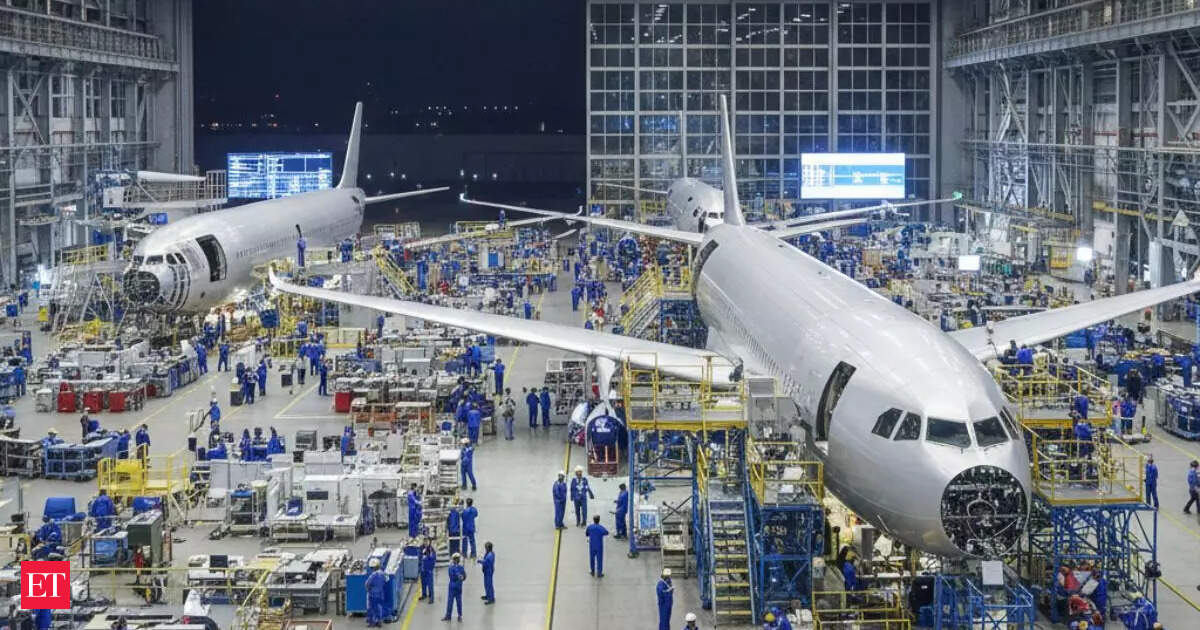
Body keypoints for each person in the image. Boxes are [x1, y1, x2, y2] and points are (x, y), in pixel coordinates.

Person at [441, 553, 466, 622]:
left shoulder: (451, 568)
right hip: (458, 586)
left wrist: (460, 576)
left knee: (450, 602)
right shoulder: (461, 567)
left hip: (452, 586)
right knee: (458, 602)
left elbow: (452, 576)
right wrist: (461, 577)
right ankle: (459, 616)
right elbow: (464, 576)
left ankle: (448, 616)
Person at [364, 558, 387, 628]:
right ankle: (379, 621)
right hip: (381, 594)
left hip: (372, 595)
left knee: (371, 608)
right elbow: (385, 581)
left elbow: (367, 584)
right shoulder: (383, 574)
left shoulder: (373, 575)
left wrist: (368, 590)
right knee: (379, 608)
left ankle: (372, 623)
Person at [419, 539, 437, 604]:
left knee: (430, 584)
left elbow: (433, 559)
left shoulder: (431, 550)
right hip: (422, 569)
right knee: (423, 583)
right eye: (424, 541)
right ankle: (424, 594)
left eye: (427, 541)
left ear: (429, 542)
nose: (426, 542)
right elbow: (419, 557)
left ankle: (431, 597)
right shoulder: (421, 548)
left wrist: (430, 569)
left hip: (428, 570)